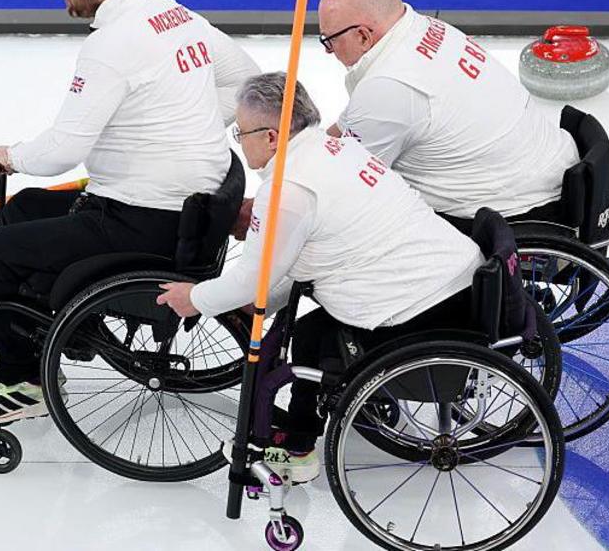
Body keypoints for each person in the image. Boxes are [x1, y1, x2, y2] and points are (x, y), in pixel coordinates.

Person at [0, 0, 261, 423]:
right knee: (25, 208)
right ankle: (50, 333)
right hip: (190, 204)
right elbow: (246, 77)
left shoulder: (111, 45)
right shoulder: (172, 13)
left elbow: (63, 150)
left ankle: (24, 378)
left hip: (141, 218)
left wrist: (11, 154)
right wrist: (184, 124)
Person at [157, 72, 483, 482]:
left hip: (416, 306)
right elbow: (292, 266)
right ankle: (299, 443)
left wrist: (196, 297)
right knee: (309, 333)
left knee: (315, 339)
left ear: (272, 137)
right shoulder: (336, 149)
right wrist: (261, 296)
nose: (240, 141)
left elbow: (251, 282)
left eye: (241, 133)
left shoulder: (288, 191)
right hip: (451, 277)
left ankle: (298, 451)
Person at [317, 0, 579, 229]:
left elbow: (346, 185)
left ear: (363, 36)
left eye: (329, 41)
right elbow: (347, 127)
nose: (328, 52)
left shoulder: (388, 86)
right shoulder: (426, 29)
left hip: (516, 208)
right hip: (549, 169)